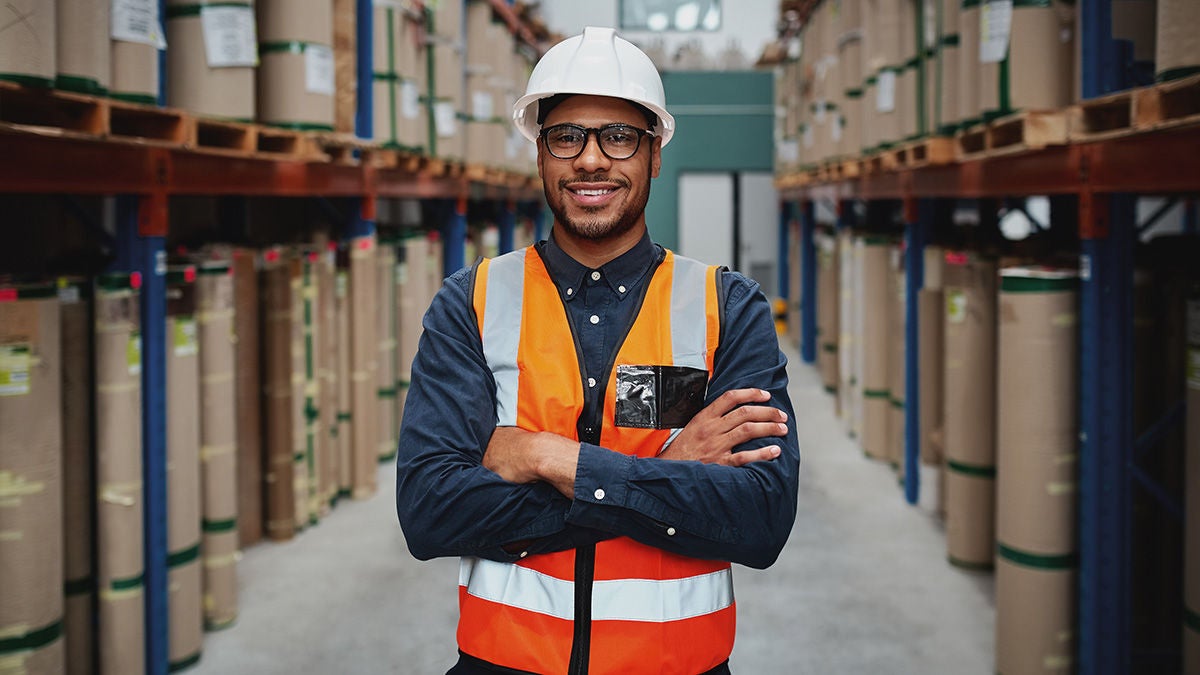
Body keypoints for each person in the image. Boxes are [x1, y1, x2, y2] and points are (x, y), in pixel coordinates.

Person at [395, 26, 800, 675]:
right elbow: (431, 513)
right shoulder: (471, 303)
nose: (590, 159)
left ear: (654, 153)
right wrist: (669, 471)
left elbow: (759, 520)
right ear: (541, 153)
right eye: (566, 135)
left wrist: (545, 456)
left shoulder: (726, 308)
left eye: (618, 136)